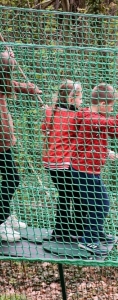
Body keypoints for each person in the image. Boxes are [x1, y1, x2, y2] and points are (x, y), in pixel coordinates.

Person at [71, 83, 118, 255]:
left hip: (89, 169)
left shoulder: (97, 117)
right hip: (84, 171)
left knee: (97, 204)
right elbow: (114, 121)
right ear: (101, 104)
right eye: (110, 105)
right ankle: (89, 240)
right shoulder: (91, 118)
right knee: (101, 205)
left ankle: (96, 233)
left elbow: (113, 131)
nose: (112, 108)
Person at [0, 50, 42, 242]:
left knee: (12, 178)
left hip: (4, 143)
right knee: (12, 178)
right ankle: (1, 222)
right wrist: (7, 59)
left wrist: (29, 88)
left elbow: (9, 83)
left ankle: (5, 216)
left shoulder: (3, 81)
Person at [41, 80, 86, 241]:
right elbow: (85, 137)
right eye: (80, 98)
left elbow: (44, 128)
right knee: (79, 195)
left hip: (50, 165)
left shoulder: (51, 113)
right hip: (64, 165)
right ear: (72, 99)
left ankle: (61, 229)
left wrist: (48, 111)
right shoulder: (75, 116)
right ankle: (77, 230)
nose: (82, 101)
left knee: (65, 194)